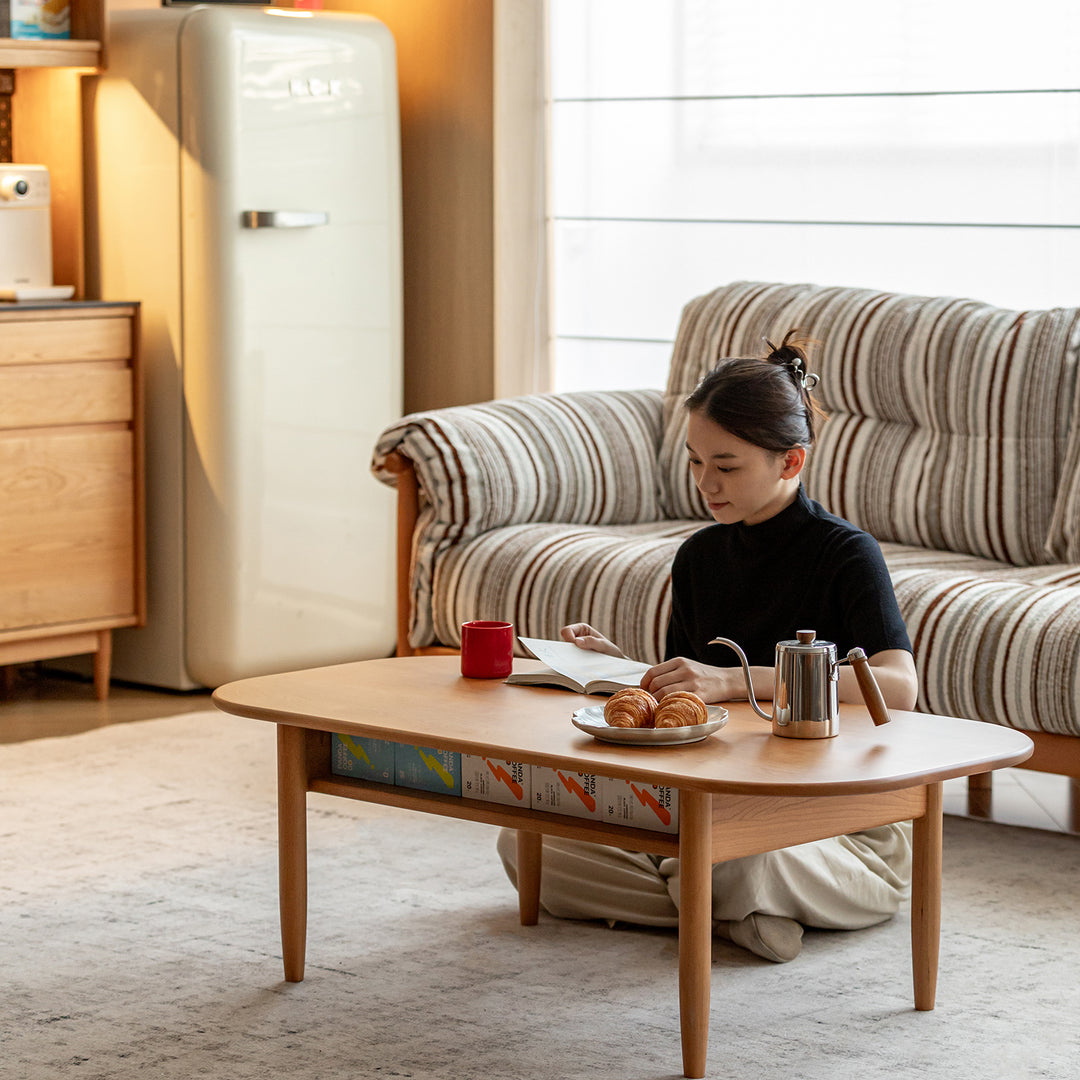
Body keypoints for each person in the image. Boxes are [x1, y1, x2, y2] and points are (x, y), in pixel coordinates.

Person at [496, 332, 919, 963]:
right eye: (695, 462)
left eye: (726, 466)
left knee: (747, 862)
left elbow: (900, 687)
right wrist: (627, 669)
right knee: (527, 845)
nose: (705, 483)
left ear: (790, 462)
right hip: (716, 805)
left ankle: (710, 898)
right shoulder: (698, 557)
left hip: (829, 824)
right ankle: (727, 918)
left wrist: (736, 680)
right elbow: (691, 715)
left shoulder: (845, 553)